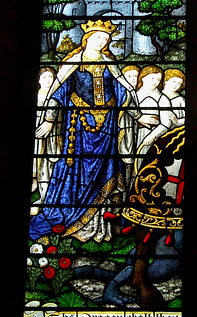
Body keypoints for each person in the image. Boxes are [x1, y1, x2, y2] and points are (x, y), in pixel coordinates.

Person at [29, 20, 158, 243]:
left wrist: (139, 116)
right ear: (87, 38)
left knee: (103, 171)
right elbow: (58, 92)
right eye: (99, 37)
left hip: (107, 127)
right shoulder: (73, 63)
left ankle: (100, 228)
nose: (103, 41)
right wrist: (49, 120)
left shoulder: (110, 63)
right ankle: (76, 223)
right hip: (79, 126)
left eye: (106, 38)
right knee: (77, 171)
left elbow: (124, 92)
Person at [31, 67, 60, 214]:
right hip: (35, 137)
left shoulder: (57, 97)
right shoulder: (34, 95)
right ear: (38, 80)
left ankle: (44, 200)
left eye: (51, 77)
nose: (48, 81)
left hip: (51, 138)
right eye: (45, 77)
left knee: (46, 168)